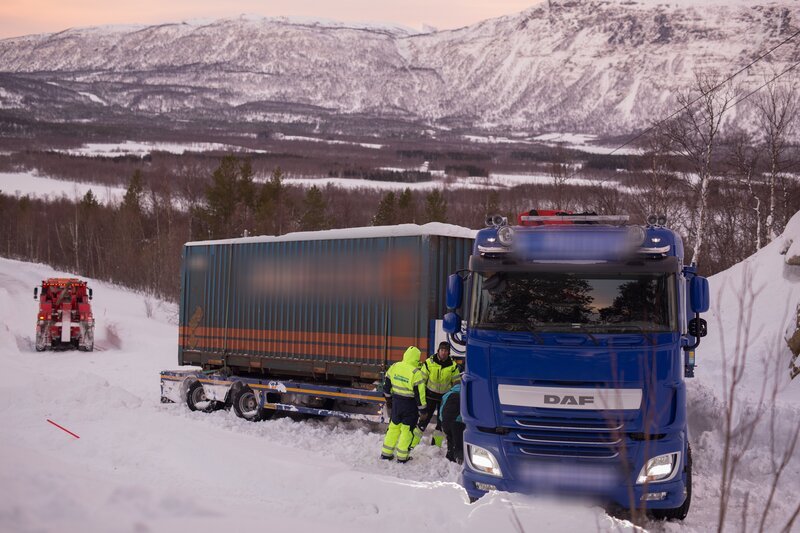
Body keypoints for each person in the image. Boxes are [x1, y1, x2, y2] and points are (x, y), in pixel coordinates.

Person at [380, 346, 426, 463]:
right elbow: (420, 396)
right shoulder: (416, 373)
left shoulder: (395, 367)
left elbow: (386, 388)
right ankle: (402, 456)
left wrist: (389, 401)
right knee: (407, 431)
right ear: (417, 358)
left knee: (393, 428)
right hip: (410, 406)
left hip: (396, 403)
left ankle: (386, 453)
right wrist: (423, 411)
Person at [412, 341, 460, 448]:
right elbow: (421, 381)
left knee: (441, 424)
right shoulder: (429, 363)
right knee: (423, 421)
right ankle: (412, 443)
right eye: (442, 350)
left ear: (448, 353)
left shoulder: (453, 366)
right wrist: (420, 397)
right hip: (430, 397)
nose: (443, 353)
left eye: (446, 351)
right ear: (438, 351)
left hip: (444, 399)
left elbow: (456, 384)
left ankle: (435, 447)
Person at [439, 382, 464, 463]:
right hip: (457, 423)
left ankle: (450, 457)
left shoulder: (446, 395)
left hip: (445, 421)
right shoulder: (465, 396)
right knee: (458, 442)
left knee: (450, 439)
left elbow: (441, 408)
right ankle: (459, 459)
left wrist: (442, 419)